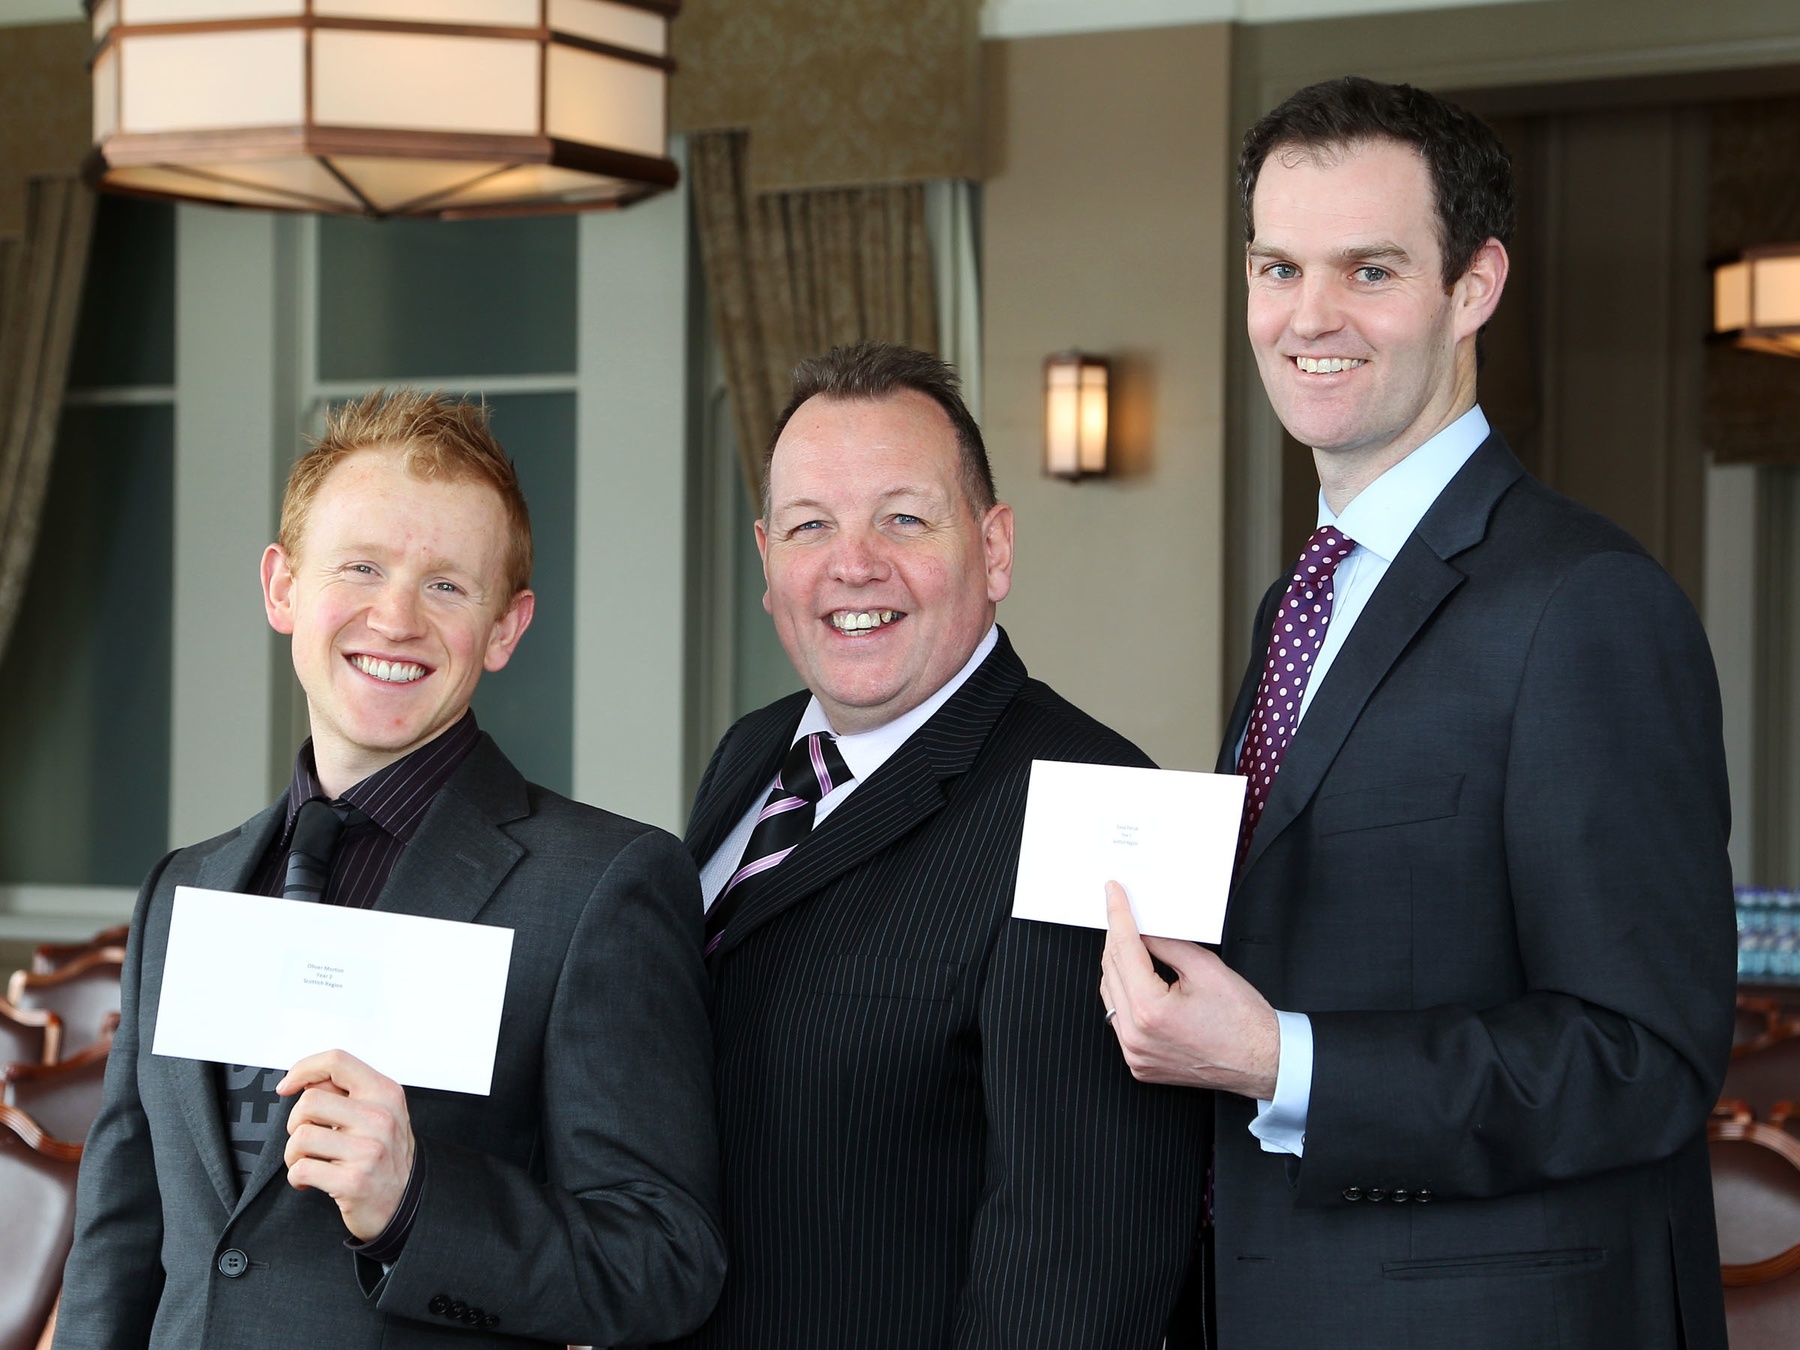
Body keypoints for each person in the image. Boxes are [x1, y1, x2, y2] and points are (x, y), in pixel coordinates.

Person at [1100, 76, 1735, 1350]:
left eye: (1370, 270)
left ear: (1475, 285)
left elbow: (1644, 1062)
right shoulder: (1303, 599)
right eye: (1277, 268)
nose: (1308, 317)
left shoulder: (1587, 604)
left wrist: (1283, 1061)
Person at [56, 390, 724, 1349]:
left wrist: (418, 1205)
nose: (396, 616)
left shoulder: (601, 886)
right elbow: (118, 1247)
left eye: (448, 585)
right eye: (360, 566)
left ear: (505, 627)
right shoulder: (184, 890)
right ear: (283, 588)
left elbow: (663, 1261)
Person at [668, 342, 1208, 1348]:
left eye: (904, 518)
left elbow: (1079, 1269)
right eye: (809, 526)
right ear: (766, 561)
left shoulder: (1104, 808)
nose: (853, 563)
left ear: (995, 547)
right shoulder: (754, 752)